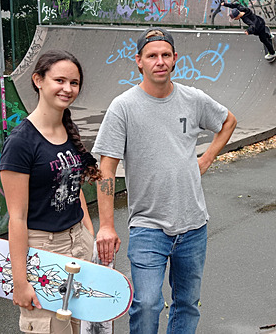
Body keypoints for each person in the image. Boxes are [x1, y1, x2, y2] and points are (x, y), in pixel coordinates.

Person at [92, 27, 237, 334]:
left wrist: (207, 158)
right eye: (152, 56)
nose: (159, 61)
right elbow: (106, 170)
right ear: (139, 61)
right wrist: (106, 225)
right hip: (148, 227)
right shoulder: (124, 107)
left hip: (194, 224)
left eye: (165, 55)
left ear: (174, 60)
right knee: (146, 304)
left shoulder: (192, 98)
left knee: (187, 303)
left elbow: (227, 121)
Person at [0, 50, 101, 334]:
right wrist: (20, 281)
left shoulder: (67, 131)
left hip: (77, 242)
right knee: (50, 329)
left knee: (79, 327)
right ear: (38, 80)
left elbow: (71, 184)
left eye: (74, 83)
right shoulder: (21, 142)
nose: (68, 89)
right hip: (43, 249)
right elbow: (17, 217)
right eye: (60, 80)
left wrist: (88, 232)